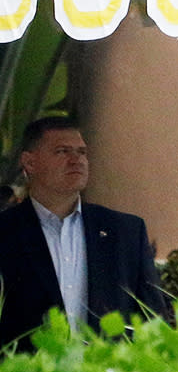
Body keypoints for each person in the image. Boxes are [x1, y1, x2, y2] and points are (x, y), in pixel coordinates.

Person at [0, 117, 166, 349]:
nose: (76, 160)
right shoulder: (6, 232)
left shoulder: (125, 232)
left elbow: (152, 319)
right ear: (29, 162)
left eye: (82, 152)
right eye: (62, 151)